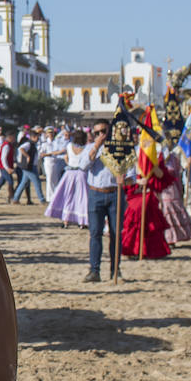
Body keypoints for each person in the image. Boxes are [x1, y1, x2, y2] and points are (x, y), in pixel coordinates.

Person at [79, 118, 128, 282]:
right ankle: (94, 270)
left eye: (104, 132)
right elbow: (83, 166)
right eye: (97, 132)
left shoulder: (120, 148)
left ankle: (115, 269)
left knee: (116, 234)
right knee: (95, 233)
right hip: (96, 194)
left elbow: (131, 173)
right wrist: (96, 147)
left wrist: (125, 179)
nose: (101, 135)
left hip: (115, 193)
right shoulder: (90, 148)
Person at [45, 129, 90, 228]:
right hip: (81, 173)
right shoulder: (87, 148)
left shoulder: (69, 146)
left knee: (68, 196)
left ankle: (66, 221)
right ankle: (81, 221)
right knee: (81, 197)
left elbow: (66, 157)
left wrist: (69, 163)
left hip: (69, 173)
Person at [157, 144, 191, 244]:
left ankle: (172, 238)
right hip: (158, 188)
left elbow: (179, 171)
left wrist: (188, 163)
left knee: (170, 210)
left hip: (171, 188)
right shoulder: (155, 157)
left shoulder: (173, 158)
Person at [10, 130, 46, 205]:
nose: (38, 139)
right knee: (37, 182)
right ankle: (42, 199)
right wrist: (27, 156)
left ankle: (15, 198)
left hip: (31, 166)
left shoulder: (32, 144)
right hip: (29, 166)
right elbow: (21, 149)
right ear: (33, 137)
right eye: (37, 137)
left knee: (23, 183)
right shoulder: (28, 144)